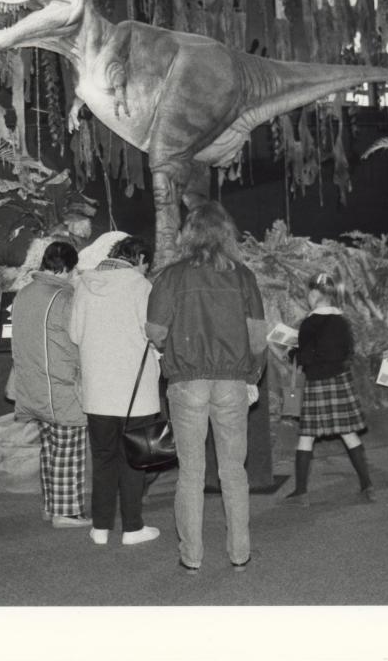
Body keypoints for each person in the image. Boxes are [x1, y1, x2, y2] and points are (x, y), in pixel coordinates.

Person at [146, 201, 266, 574]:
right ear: (225, 233)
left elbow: (155, 331)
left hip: (186, 382)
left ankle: (192, 555)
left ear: (188, 234)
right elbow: (258, 338)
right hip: (232, 381)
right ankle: (239, 552)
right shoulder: (243, 276)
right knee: (233, 471)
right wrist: (252, 377)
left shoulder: (171, 276)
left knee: (191, 471)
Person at [68, 234, 161, 547]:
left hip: (98, 390)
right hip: (136, 392)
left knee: (104, 458)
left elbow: (75, 334)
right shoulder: (141, 287)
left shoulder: (84, 285)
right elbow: (154, 333)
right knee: (135, 459)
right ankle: (133, 527)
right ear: (141, 260)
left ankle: (100, 528)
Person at [8, 241, 90, 528]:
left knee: (49, 448)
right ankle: (65, 512)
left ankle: (50, 505)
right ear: (66, 268)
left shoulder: (24, 294)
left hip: (32, 383)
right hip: (59, 384)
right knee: (68, 446)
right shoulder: (63, 298)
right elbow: (75, 341)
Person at [284, 271, 374, 504]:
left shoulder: (309, 323)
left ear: (314, 294)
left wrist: (292, 352)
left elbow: (306, 357)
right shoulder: (342, 321)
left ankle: (301, 490)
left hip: (316, 385)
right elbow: (348, 352)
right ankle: (366, 484)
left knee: (306, 437)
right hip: (339, 381)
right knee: (349, 433)